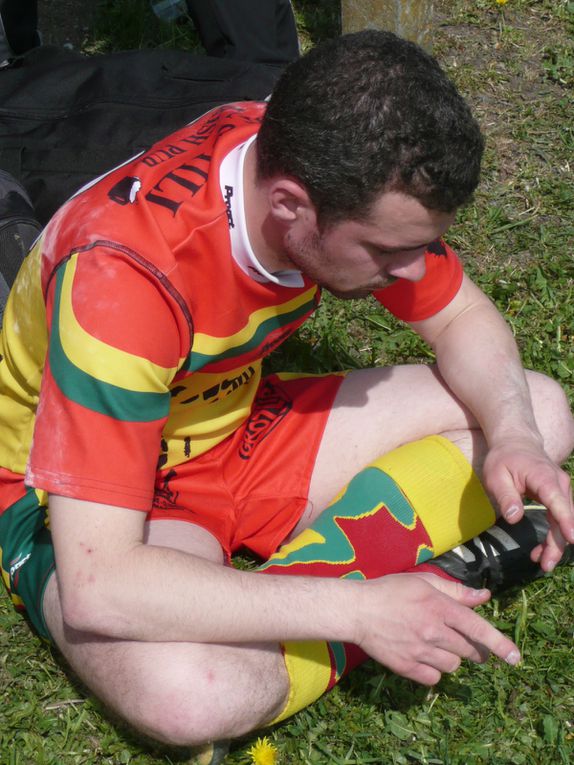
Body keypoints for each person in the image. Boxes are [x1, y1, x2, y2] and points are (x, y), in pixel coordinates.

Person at [0, 30, 573, 761]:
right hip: (96, 500)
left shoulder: (307, 143)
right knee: (193, 692)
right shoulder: (124, 283)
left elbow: (462, 314)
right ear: (291, 206)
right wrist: (357, 611)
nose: (410, 272)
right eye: (387, 250)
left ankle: (363, 602)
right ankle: (399, 595)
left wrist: (516, 435)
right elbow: (100, 584)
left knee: (540, 410)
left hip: (232, 419)